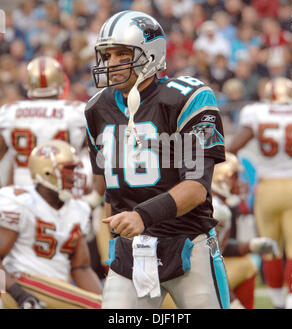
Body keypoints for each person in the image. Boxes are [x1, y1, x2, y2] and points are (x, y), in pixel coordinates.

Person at [85, 10, 229, 309]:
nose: (111, 63)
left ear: (150, 54)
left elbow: (195, 187)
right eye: (106, 55)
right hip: (131, 252)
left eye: (121, 54)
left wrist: (141, 216)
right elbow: (108, 189)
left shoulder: (188, 98)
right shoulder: (96, 109)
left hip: (189, 244)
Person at [0, 140, 102, 309]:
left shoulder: (79, 209)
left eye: (75, 169)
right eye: (68, 169)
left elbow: (81, 267)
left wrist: (105, 300)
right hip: (21, 282)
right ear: (46, 172)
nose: (74, 175)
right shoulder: (20, 202)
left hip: (56, 288)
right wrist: (18, 295)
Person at [227, 77, 292, 309]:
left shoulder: (256, 112)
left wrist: (235, 176)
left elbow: (234, 148)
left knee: (270, 248)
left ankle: (278, 302)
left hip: (267, 188)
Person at [0, 56, 86, 187]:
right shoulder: (77, 111)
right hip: (63, 189)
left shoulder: (9, 111)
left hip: (23, 189)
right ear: (60, 81)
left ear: (28, 83)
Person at [212, 152, 279, 309]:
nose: (239, 183)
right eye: (234, 177)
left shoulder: (217, 206)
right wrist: (234, 302)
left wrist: (251, 245)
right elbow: (206, 262)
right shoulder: (216, 211)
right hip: (183, 289)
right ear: (220, 178)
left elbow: (218, 248)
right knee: (247, 266)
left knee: (244, 261)